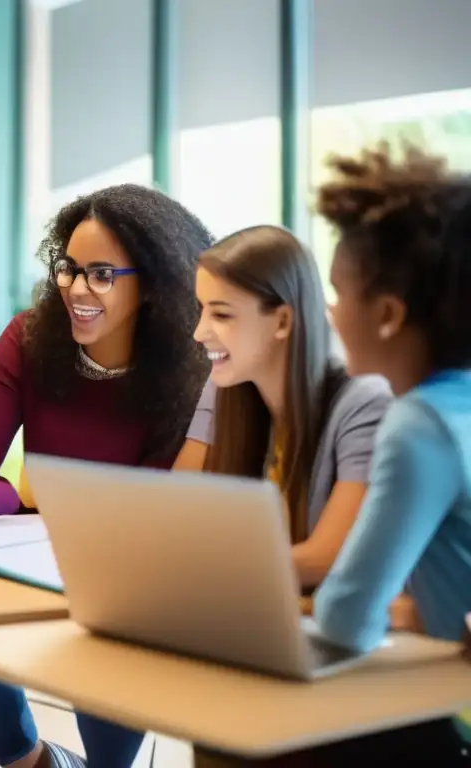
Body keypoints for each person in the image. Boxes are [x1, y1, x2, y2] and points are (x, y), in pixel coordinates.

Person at [0, 183, 214, 768]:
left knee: (108, 639)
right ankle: (36, 762)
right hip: (34, 564)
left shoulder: (197, 370)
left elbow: (162, 509)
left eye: (102, 274)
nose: (77, 289)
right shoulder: (27, 339)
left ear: (153, 283)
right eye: (69, 269)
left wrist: (18, 495)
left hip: (131, 581)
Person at [304, 144, 471, 765]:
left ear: (388, 315)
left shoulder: (417, 424)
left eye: (339, 292)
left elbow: (347, 617)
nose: (331, 312)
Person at [179, 224, 392, 593]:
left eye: (222, 315)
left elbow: (326, 560)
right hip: (255, 609)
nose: (200, 332)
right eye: (201, 311)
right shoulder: (226, 384)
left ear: (282, 321)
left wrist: (200, 564)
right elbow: (175, 511)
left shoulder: (365, 403)